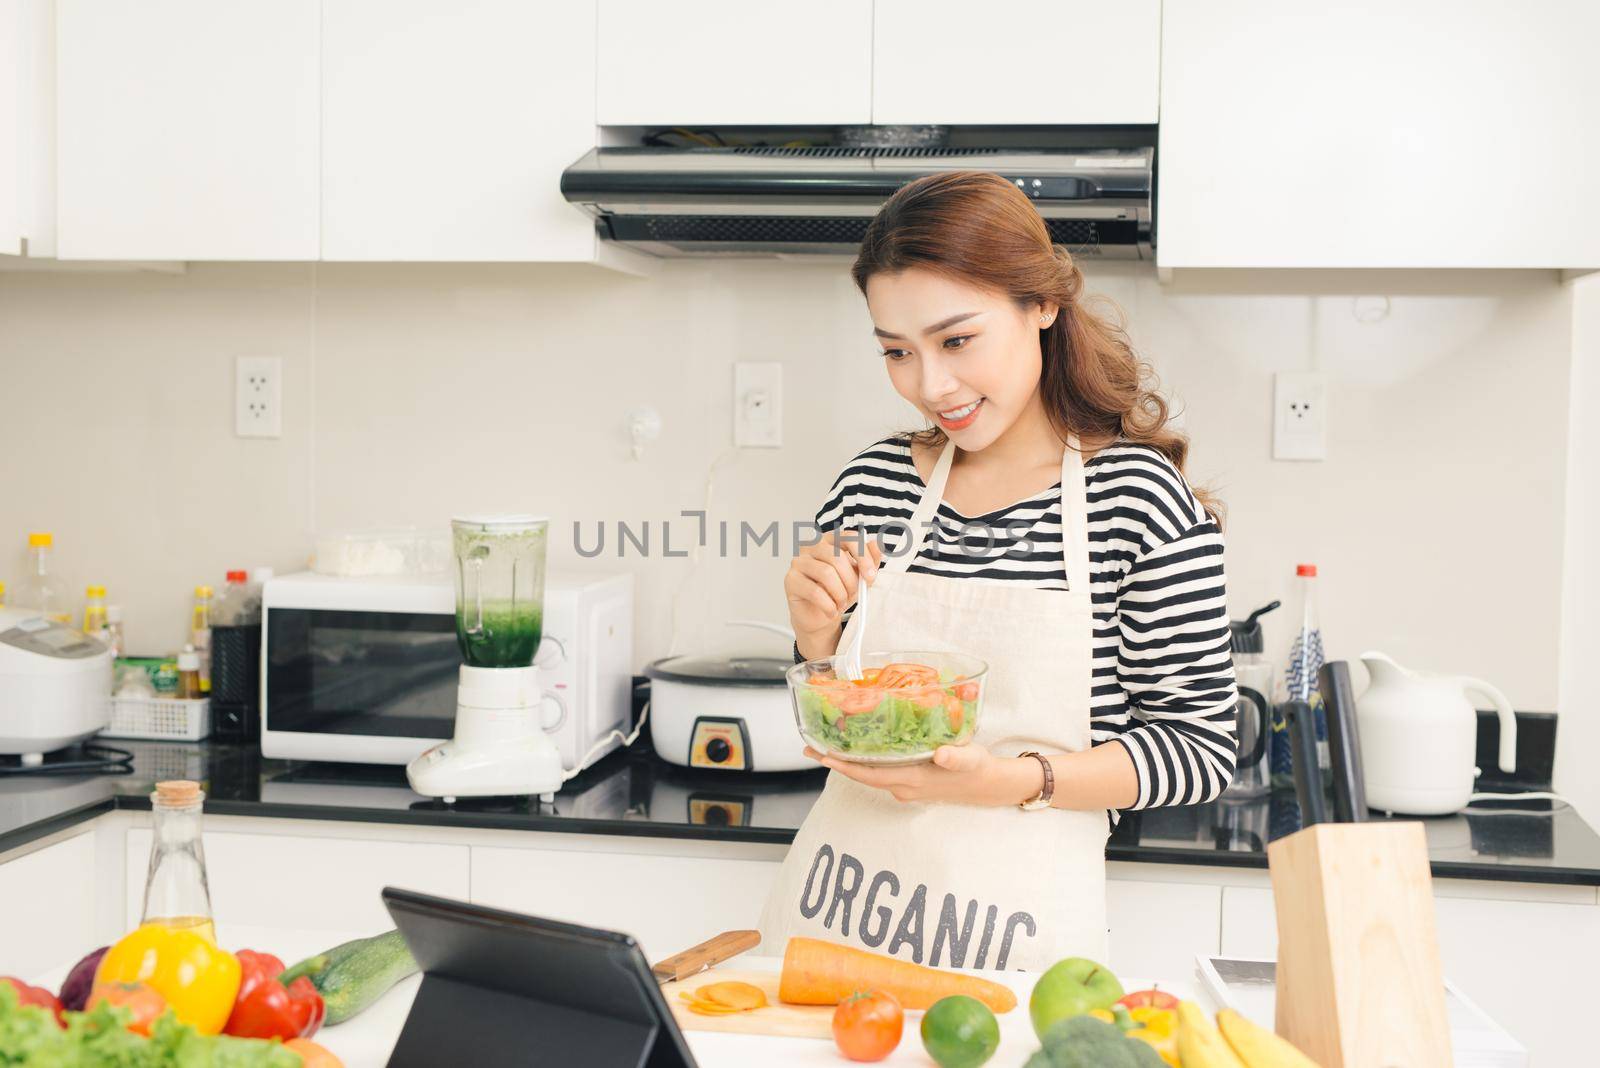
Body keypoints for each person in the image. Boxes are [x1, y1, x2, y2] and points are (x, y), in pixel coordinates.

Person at [757, 171, 1238, 973]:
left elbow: (1199, 751)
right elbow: (842, 704)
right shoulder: (874, 482)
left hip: (1015, 953)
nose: (930, 386)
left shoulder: (1138, 499)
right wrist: (814, 635)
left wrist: (1000, 782)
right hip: (832, 924)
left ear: (1040, 305)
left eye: (956, 341)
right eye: (896, 353)